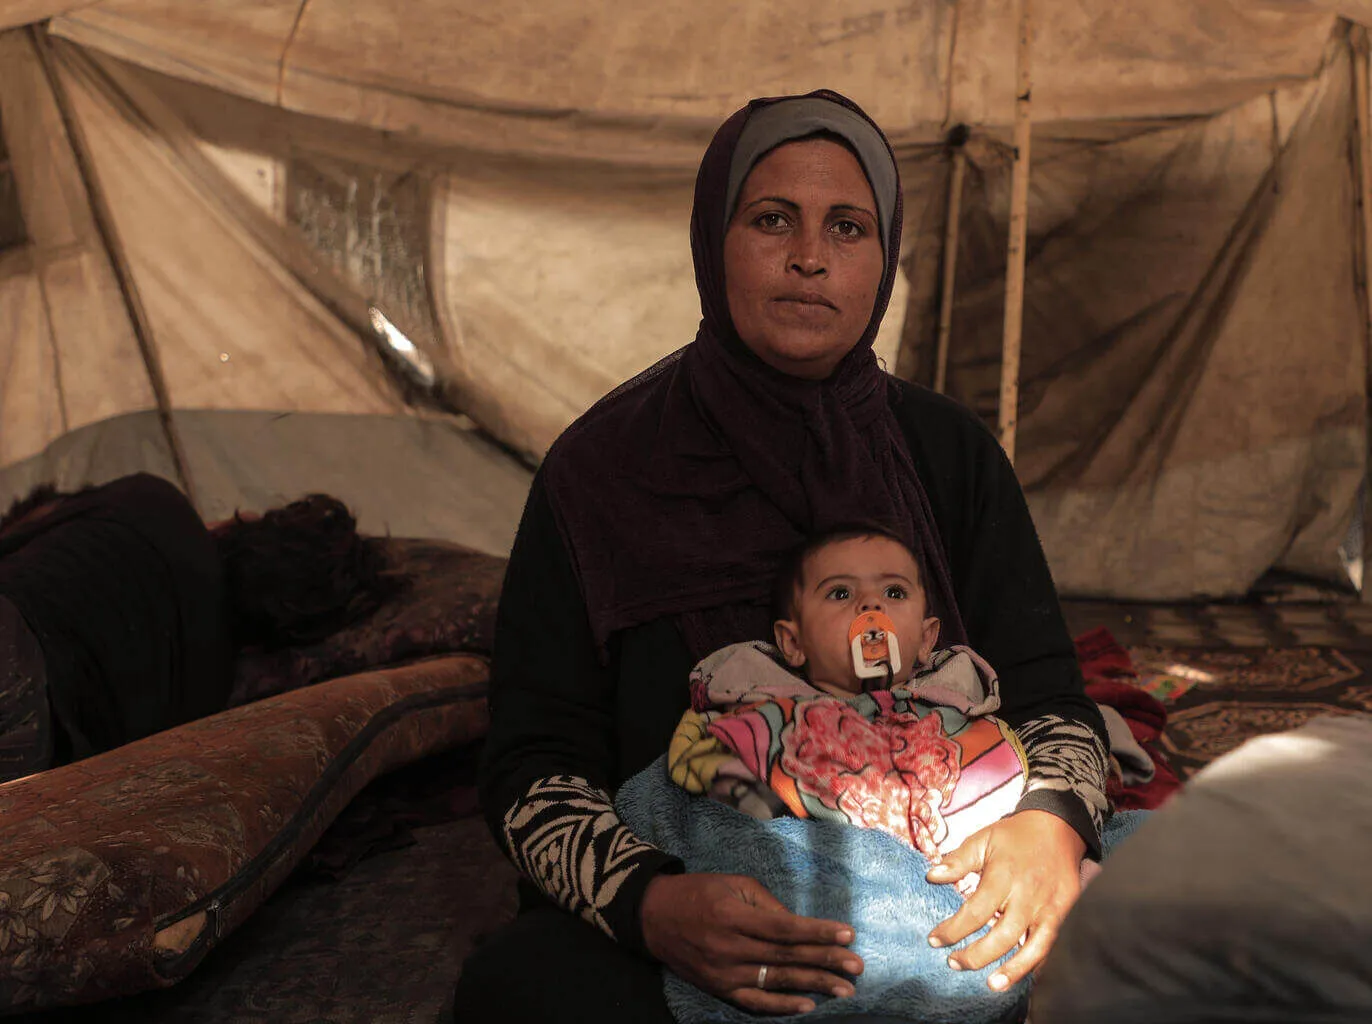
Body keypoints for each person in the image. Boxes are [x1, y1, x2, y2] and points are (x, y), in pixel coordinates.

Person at [457, 89, 1110, 1023]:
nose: (811, 257)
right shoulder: (599, 469)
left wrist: (1047, 828)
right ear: (710, 241)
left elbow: (1051, 700)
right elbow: (531, 765)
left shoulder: (947, 454)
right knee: (521, 992)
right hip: (701, 895)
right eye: (772, 221)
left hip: (939, 893)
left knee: (1165, 943)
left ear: (884, 261)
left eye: (849, 227)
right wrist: (651, 904)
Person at [667, 526, 1026, 871]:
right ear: (793, 643)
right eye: (840, 593)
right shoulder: (768, 716)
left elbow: (1006, 784)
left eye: (894, 593)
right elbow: (705, 770)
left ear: (925, 639)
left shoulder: (959, 713)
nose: (871, 604)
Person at [0, 474, 393, 783]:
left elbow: (22, 528)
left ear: (250, 525)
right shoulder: (208, 691)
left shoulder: (152, 500)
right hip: (33, 743)